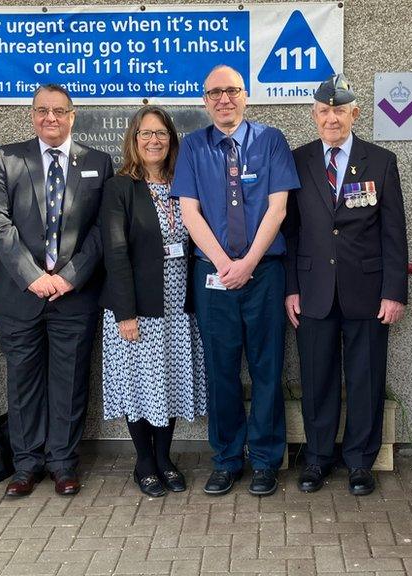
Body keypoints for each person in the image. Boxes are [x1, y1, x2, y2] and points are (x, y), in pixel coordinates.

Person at [171, 65, 299, 497]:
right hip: (213, 273)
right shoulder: (192, 146)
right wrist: (227, 263)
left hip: (264, 273)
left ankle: (264, 460)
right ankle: (226, 459)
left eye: (231, 91)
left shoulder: (271, 140)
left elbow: (278, 209)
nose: (223, 99)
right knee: (221, 370)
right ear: (205, 100)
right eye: (214, 93)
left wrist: (247, 264)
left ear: (245, 96)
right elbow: (190, 213)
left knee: (267, 368)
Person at [0, 84, 113, 498]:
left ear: (73, 116)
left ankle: (62, 462)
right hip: (20, 294)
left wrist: (70, 275)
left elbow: (101, 231)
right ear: (32, 115)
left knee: (70, 380)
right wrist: (32, 275)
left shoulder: (98, 162)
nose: (50, 119)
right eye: (42, 111)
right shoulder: (7, 158)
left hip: (74, 295)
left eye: (59, 111)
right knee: (22, 382)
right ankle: (25, 464)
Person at [283, 74, 408, 496]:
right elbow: (291, 232)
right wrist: (291, 288)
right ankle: (317, 459)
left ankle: (359, 461)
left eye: (339, 110)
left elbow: (394, 233)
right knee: (317, 379)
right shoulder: (298, 161)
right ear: (314, 116)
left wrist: (394, 291)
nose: (331, 118)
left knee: (365, 378)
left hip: (368, 292)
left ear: (354, 113)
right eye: (323, 111)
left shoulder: (381, 161)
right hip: (314, 289)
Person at [99, 105, 206, 497]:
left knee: (170, 383)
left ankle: (165, 458)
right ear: (134, 140)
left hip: (179, 307)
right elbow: (115, 251)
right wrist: (125, 313)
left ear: (171, 140)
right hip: (138, 308)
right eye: (146, 133)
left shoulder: (184, 183)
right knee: (139, 385)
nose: (154, 140)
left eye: (161, 133)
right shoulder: (120, 187)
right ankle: (143, 461)